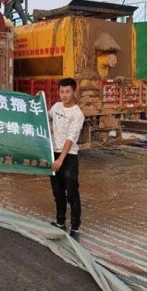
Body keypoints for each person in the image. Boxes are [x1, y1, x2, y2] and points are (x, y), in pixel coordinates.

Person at [48, 78, 85, 242]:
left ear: (74, 92)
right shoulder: (56, 107)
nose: (64, 95)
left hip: (69, 157)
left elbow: (71, 138)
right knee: (57, 192)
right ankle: (60, 223)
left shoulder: (77, 114)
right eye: (61, 91)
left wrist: (60, 160)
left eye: (67, 92)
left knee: (72, 193)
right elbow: (44, 116)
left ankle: (75, 227)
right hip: (54, 154)